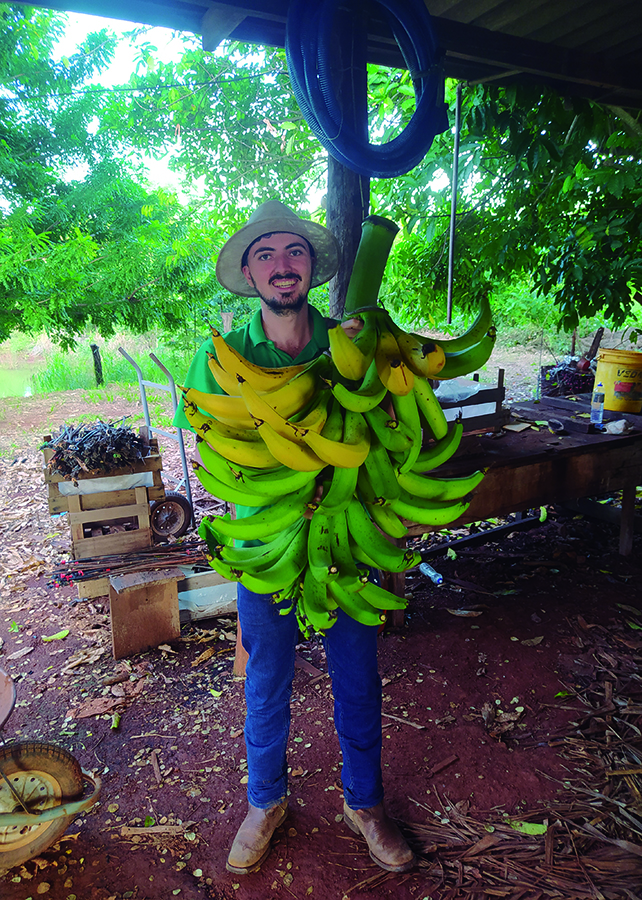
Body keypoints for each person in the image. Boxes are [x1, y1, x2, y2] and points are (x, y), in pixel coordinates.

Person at [174, 200, 415, 876]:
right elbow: (210, 444)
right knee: (266, 682)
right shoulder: (220, 357)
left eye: (295, 253)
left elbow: (385, 429)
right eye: (266, 255)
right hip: (267, 543)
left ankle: (364, 804)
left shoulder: (350, 345)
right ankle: (265, 803)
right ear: (250, 275)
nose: (283, 266)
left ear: (310, 268)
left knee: (358, 680)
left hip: (341, 535)